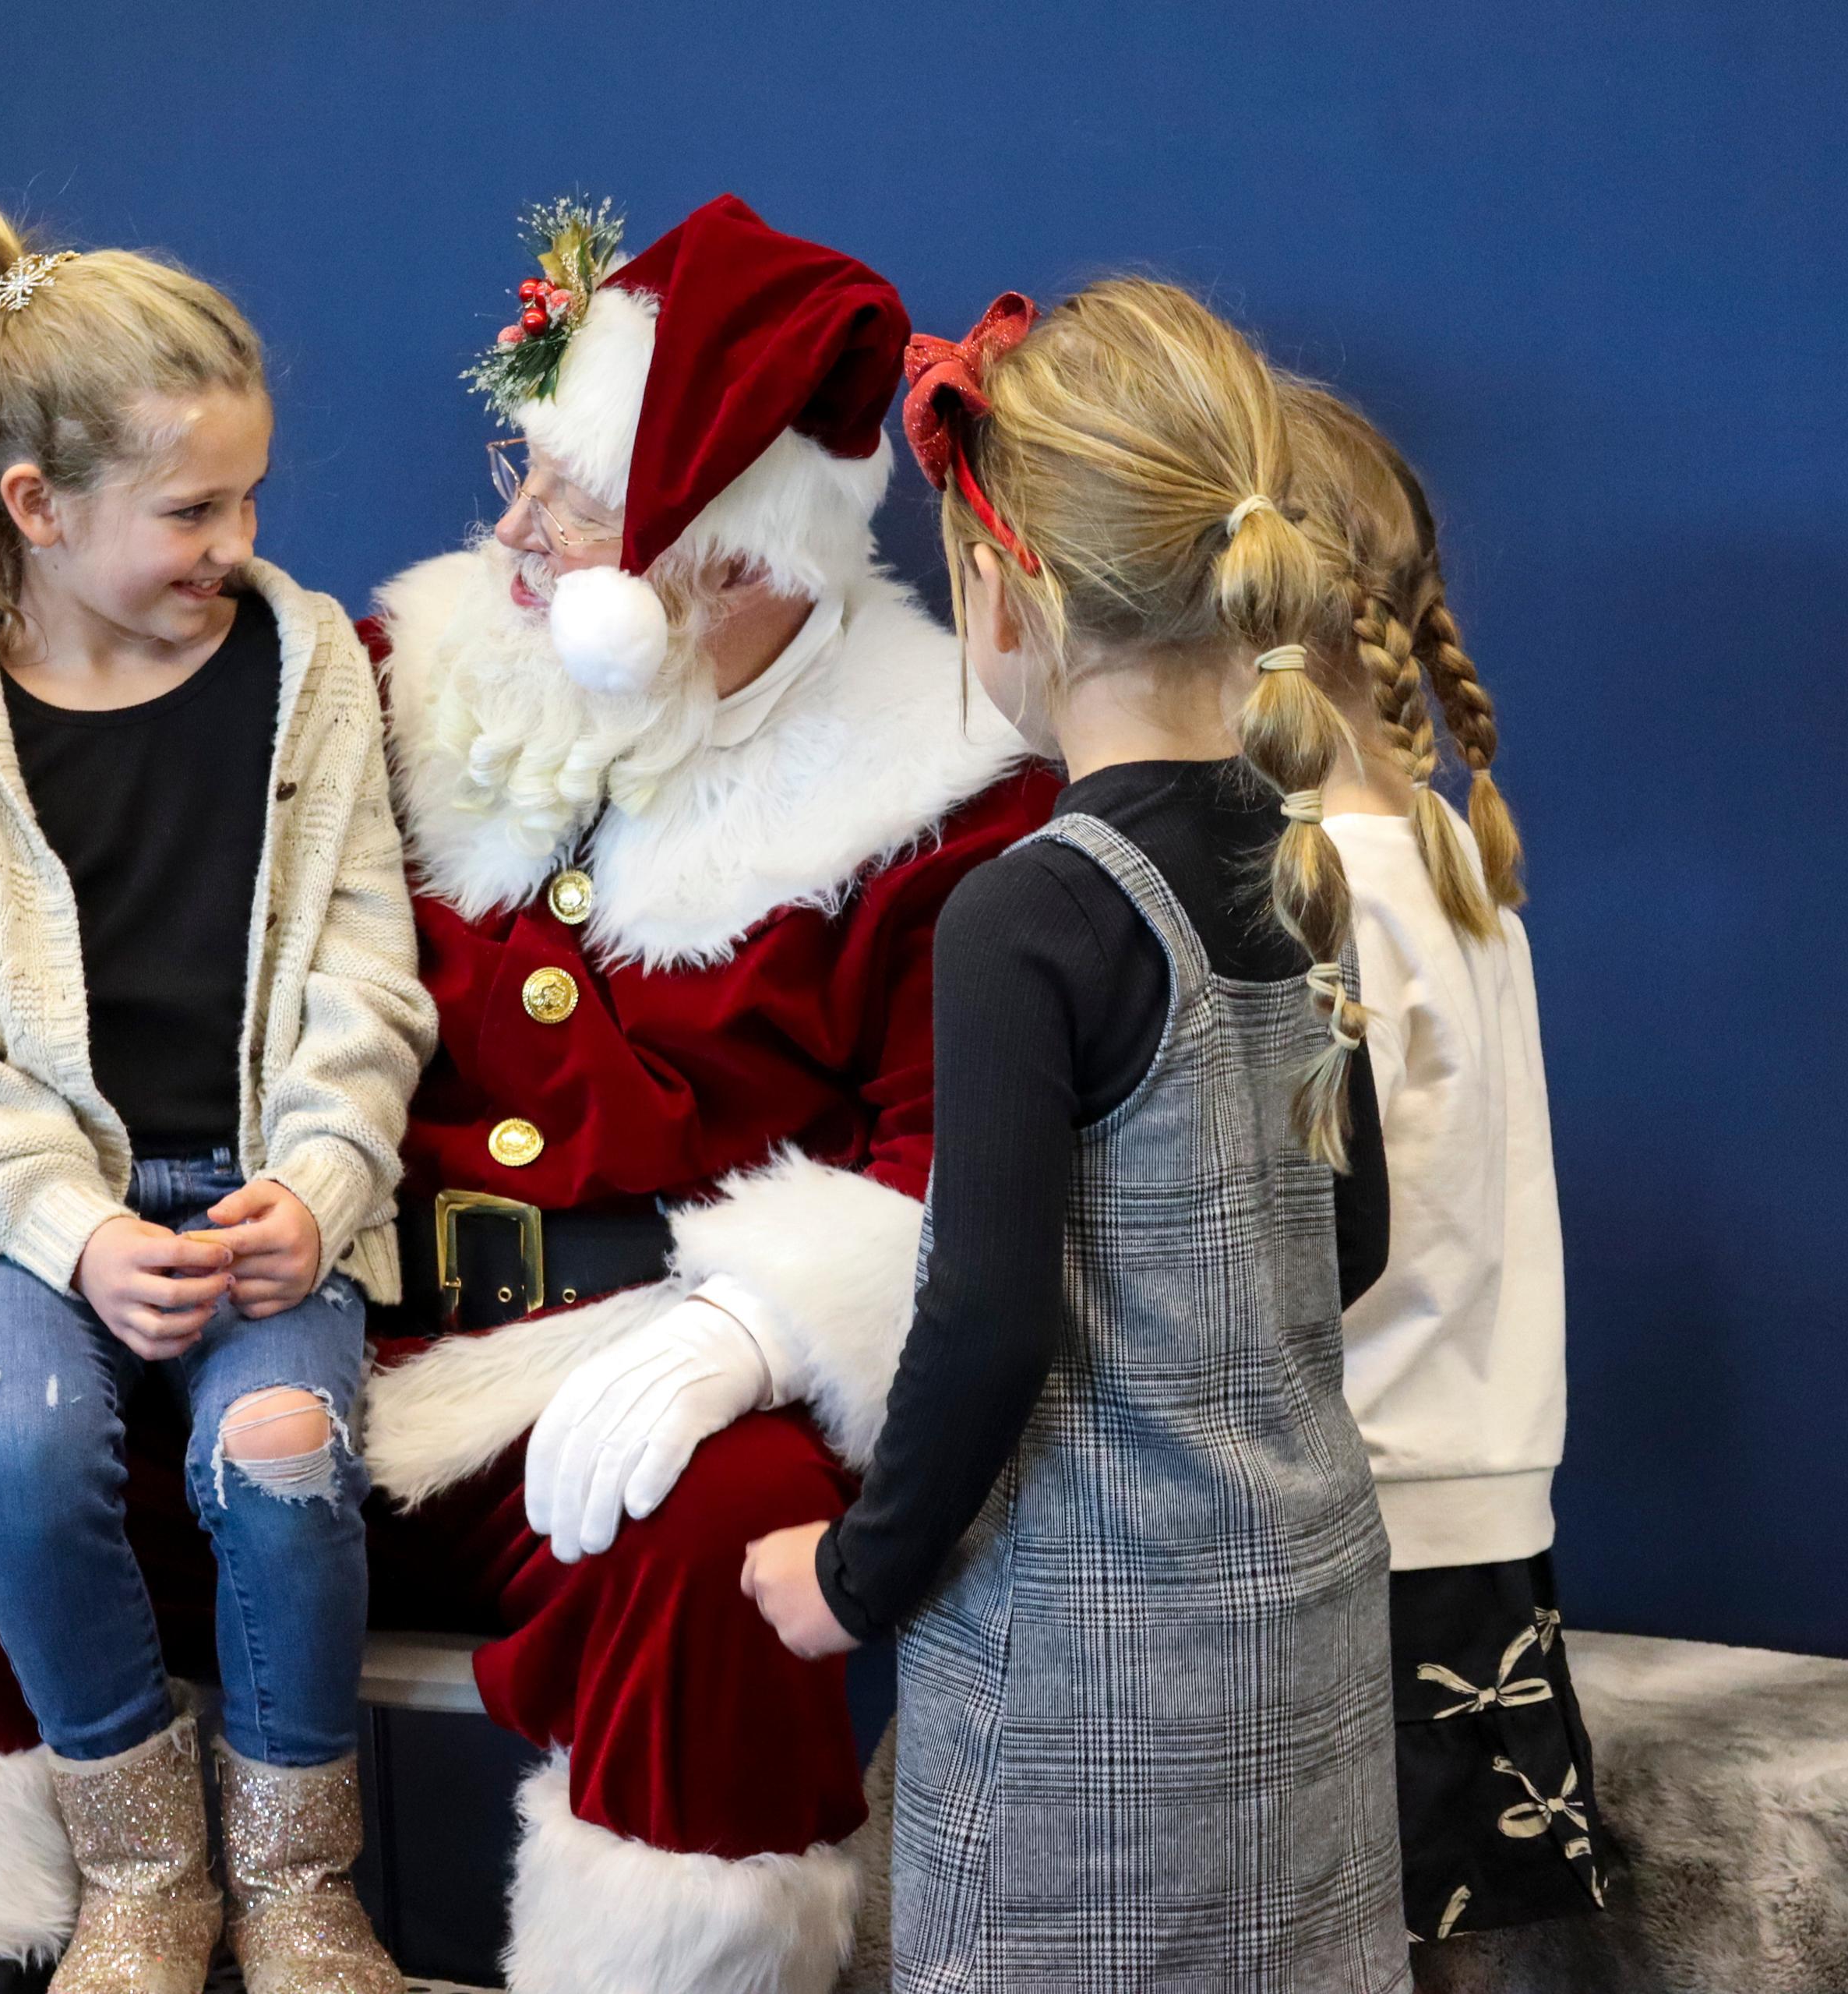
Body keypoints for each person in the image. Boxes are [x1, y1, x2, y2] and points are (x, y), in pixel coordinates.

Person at [0, 195, 1064, 1994]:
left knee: (728, 1525)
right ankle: (2, 1956)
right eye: (522, 466)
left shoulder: (934, 793)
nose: (515, 525)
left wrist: (755, 1331)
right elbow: (166, 870)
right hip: (323, 1330)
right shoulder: (395, 668)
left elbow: (954, 1192)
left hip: (617, 1402)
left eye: (575, 493)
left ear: (729, 548)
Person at [741, 281, 1409, 1989]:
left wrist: (856, 1569)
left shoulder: (1024, 912)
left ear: (1007, 587)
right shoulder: (1299, 857)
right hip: (1308, 1622)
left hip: (1094, 1678)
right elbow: (1352, 1245)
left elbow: (987, 1323)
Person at [0, 199, 433, 1994]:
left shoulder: (305, 667)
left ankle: (302, 1884)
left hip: (261, 1196)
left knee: (287, 1453)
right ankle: (146, 1864)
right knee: (17, 1444)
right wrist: (82, 1232)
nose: (233, 544)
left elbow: (366, 973)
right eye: (189, 511)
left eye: (249, 499)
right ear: (37, 506)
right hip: (26, 1217)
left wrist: (317, 1178)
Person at [1283, 382, 1606, 1943]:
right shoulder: (1459, 858)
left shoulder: (1312, 892)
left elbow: (1320, 1251)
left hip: (1358, 1536)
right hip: (1482, 1524)